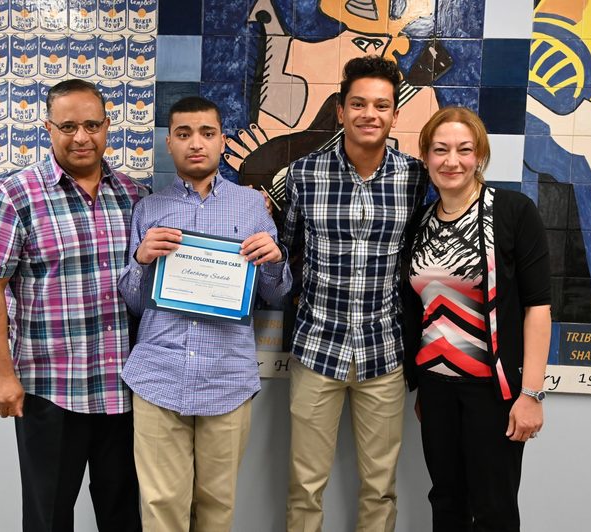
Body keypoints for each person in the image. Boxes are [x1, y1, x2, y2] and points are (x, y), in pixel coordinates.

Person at [0, 79, 142, 532]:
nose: (81, 136)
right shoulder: (15, 195)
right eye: (68, 126)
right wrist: (1, 375)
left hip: (123, 390)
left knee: (123, 515)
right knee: (48, 517)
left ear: (108, 127)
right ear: (48, 128)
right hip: (50, 391)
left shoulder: (134, 196)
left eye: (91, 124)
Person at [118, 96, 292, 532]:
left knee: (217, 507)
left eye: (207, 133)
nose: (196, 143)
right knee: (161, 507)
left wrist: (273, 260)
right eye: (183, 134)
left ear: (222, 142)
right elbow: (133, 305)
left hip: (227, 378)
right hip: (158, 375)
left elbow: (274, 294)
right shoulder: (148, 209)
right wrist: (140, 261)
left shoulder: (252, 207)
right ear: (169, 145)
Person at [282, 55, 428, 532]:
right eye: (359, 103)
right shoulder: (304, 174)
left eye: (381, 105)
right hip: (315, 349)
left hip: (384, 352)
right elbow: (287, 251)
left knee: (380, 487)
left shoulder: (414, 177)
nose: (370, 114)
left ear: (394, 114)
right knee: (304, 487)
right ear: (341, 110)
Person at [402, 106, 551, 531]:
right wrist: (423, 390)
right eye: (440, 150)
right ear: (427, 157)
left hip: (494, 392)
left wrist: (532, 394)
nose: (452, 161)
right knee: (446, 501)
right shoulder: (420, 223)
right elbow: (422, 311)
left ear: (480, 155)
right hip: (435, 391)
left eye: (464, 150)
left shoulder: (513, 212)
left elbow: (537, 307)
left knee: (493, 509)